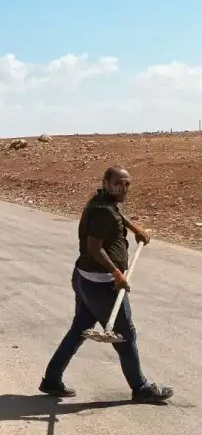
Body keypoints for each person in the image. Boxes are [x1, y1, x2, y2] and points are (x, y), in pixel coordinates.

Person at [40, 166, 173, 402]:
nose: (123, 188)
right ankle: (141, 388)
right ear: (105, 182)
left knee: (79, 329)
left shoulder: (102, 201)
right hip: (102, 285)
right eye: (118, 183)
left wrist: (135, 229)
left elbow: (116, 214)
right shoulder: (103, 210)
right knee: (126, 335)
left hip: (84, 279)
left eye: (127, 183)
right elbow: (94, 247)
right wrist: (116, 274)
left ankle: (51, 379)